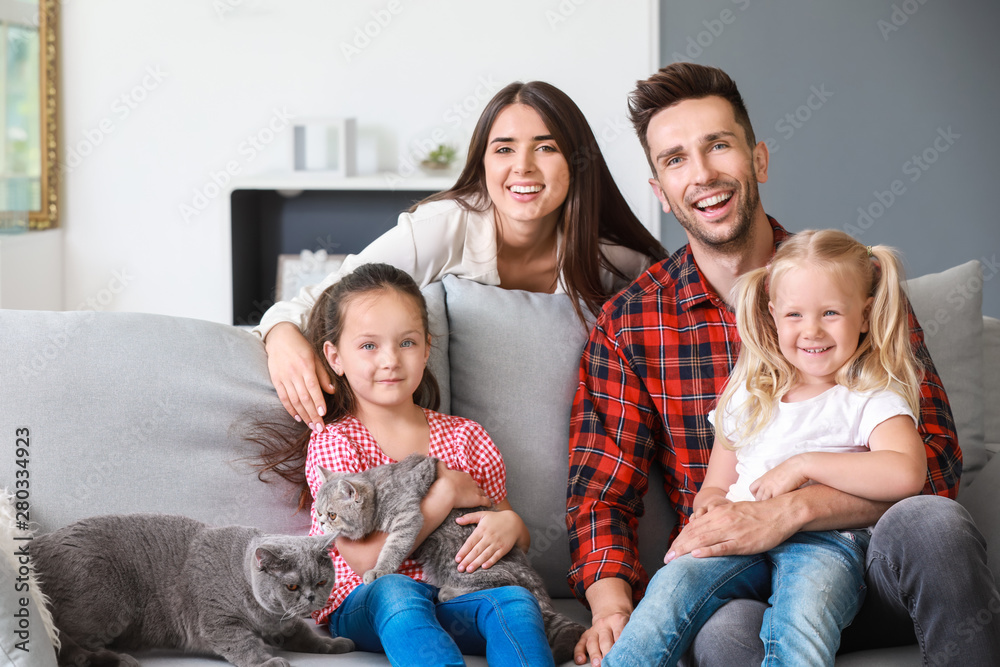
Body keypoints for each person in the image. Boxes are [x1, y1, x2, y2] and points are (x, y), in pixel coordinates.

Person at [566, 62, 999, 667]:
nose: (704, 174)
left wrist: (795, 506)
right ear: (660, 192)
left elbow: (932, 470)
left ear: (759, 160)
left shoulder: (853, 291)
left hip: (864, 564)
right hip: (740, 580)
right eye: (676, 159)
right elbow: (602, 498)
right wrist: (612, 612)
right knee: (725, 636)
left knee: (934, 524)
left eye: (719, 145)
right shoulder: (631, 325)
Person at [254, 80, 666, 434]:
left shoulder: (612, 259)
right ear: (483, 163)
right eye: (503, 150)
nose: (523, 167)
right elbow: (318, 301)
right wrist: (281, 334)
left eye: (546, 148)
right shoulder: (440, 228)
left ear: (577, 163)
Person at [601, 230, 927, 667]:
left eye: (830, 313)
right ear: (772, 314)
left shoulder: (871, 394)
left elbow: (905, 474)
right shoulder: (749, 393)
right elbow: (715, 484)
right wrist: (710, 507)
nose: (811, 330)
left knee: (802, 616)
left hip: (827, 542)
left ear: (865, 316)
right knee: (670, 590)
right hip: (739, 533)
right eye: (794, 314)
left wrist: (803, 465)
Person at [255, 262, 555, 667]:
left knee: (516, 601)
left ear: (427, 347)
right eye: (368, 346)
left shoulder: (468, 438)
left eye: (407, 343)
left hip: (457, 594)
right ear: (335, 356)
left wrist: (513, 526)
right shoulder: (336, 442)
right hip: (368, 599)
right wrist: (444, 493)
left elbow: (501, 521)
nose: (390, 360)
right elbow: (365, 562)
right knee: (397, 591)